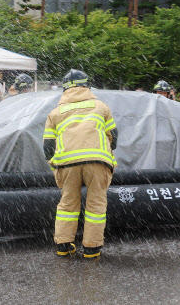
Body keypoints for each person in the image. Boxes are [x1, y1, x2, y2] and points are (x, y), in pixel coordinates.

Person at [43, 69, 117, 260]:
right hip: (97, 163)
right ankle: (92, 249)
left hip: (68, 164)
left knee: (67, 203)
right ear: (86, 85)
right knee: (96, 205)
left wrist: (55, 164)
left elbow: (47, 147)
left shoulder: (55, 113)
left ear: (65, 88)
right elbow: (114, 137)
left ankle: (64, 245)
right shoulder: (101, 107)